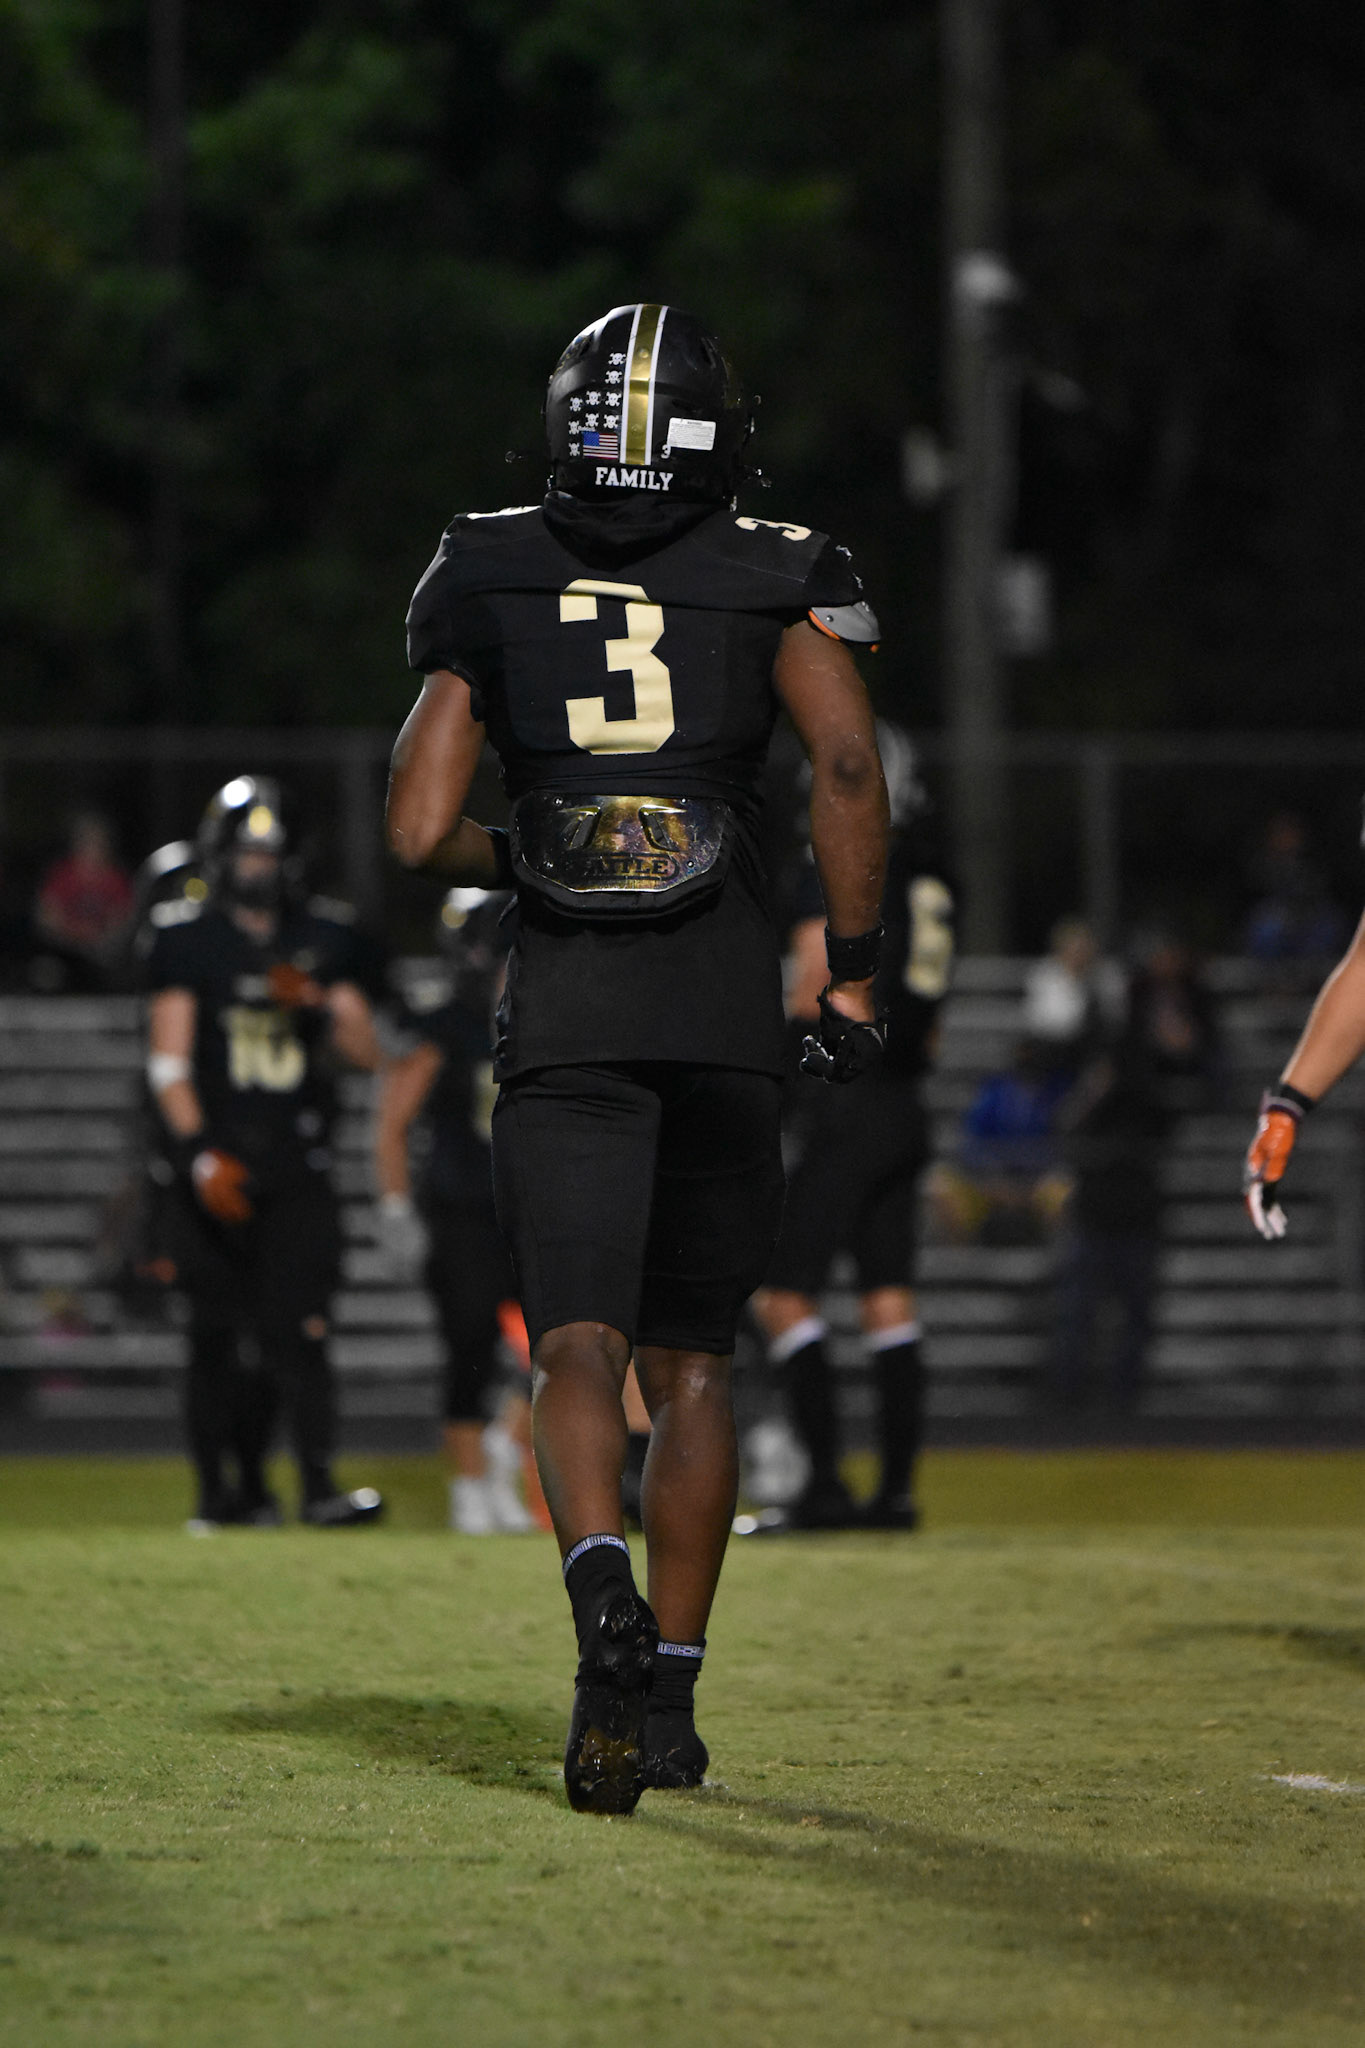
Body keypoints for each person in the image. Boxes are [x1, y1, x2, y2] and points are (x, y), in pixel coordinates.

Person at [386, 301, 889, 1814]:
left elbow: (416, 828)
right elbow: (846, 766)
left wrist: (543, 849)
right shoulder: (781, 566)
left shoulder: (487, 563)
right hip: (723, 1002)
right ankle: (667, 1697)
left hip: (572, 1007)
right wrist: (853, 973)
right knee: (696, 1368)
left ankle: (596, 1587)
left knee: (575, 1349)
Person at [140, 777, 387, 1529]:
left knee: (301, 1331)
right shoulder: (186, 937)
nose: (258, 866)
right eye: (247, 852)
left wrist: (320, 1002)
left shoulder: (324, 937)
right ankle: (223, 1494)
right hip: (217, 1160)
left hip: (297, 1160)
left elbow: (367, 1054)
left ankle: (317, 1487)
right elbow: (169, 1063)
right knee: (216, 1337)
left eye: (270, 853)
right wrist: (198, 1153)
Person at [746, 725, 953, 1531]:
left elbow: (813, 986)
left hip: (846, 1100)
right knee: (887, 1302)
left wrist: (772, 1085)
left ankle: (823, 1486)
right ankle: (895, 1493)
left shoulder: (836, 864)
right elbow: (927, 1025)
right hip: (904, 1105)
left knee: (782, 1296)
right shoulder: (934, 875)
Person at [373, 886, 540, 1534]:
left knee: (562, 1343)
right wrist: (395, 1207)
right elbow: (393, 1123)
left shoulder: (547, 1021)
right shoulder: (445, 1028)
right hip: (462, 1208)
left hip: (529, 1209)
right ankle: (469, 1485)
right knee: (468, 1348)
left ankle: (503, 1448)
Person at [33, 812, 135, 989]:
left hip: (102, 956)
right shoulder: (61, 875)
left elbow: (122, 922)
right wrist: (76, 936)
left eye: (99, 841)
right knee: (45, 971)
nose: (93, 847)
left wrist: (100, 940)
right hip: (65, 953)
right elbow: (47, 918)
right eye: (87, 840)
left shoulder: (115, 879)